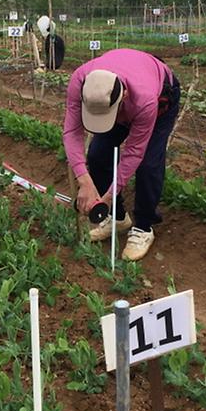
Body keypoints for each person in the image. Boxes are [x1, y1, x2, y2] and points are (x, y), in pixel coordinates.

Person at [63, 49, 180, 261]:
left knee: (148, 163)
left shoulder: (144, 100)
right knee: (98, 155)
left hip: (161, 95)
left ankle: (144, 227)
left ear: (123, 96)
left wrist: (106, 196)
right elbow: (72, 132)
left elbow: (133, 152)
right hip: (120, 96)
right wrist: (84, 181)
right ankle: (117, 218)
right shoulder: (79, 81)